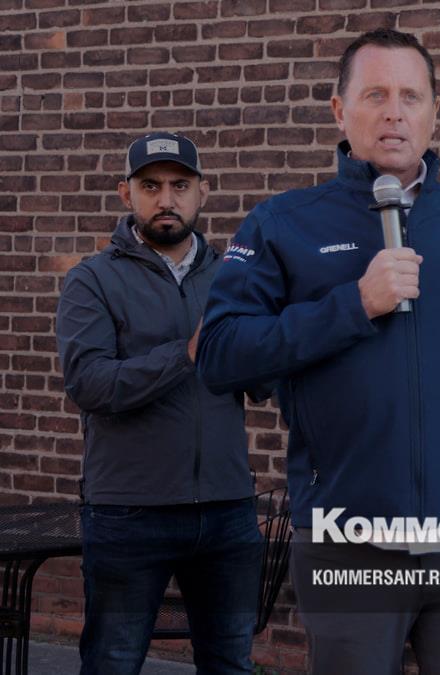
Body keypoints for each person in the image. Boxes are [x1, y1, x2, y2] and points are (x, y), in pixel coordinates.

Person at [196, 29, 440, 674]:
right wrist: (353, 306)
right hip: (348, 547)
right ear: (340, 111)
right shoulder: (283, 223)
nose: (395, 113)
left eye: (410, 96)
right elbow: (221, 354)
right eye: (375, 95)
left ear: (434, 113)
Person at [56, 132, 262, 674]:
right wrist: (187, 353)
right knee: (113, 663)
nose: (166, 199)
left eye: (180, 186)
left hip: (227, 510)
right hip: (129, 513)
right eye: (150, 186)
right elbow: (90, 385)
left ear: (203, 192)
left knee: (230, 664)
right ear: (126, 193)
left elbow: (262, 381)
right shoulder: (91, 280)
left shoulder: (233, 280)